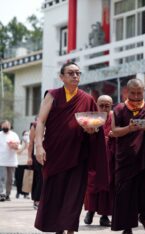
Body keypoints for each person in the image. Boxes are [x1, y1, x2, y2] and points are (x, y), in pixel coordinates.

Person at [34, 61, 108, 234]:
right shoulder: (52, 95)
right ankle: (58, 228)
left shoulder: (87, 98)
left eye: (78, 73)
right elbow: (41, 121)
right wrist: (38, 145)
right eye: (71, 73)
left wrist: (92, 130)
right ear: (61, 77)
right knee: (56, 193)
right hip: (54, 153)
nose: (75, 76)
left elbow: (94, 126)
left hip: (77, 155)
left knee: (74, 196)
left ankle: (70, 230)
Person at [111, 78, 145, 234]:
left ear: (143, 92)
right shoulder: (119, 109)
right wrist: (130, 128)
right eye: (132, 93)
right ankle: (127, 226)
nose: (135, 96)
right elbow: (114, 131)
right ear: (127, 92)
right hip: (126, 158)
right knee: (125, 194)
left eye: (139, 93)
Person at [84, 95, 114, 227]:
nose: (104, 108)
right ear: (96, 105)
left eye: (107, 105)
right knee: (92, 185)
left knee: (107, 186)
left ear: (111, 106)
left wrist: (113, 136)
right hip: (94, 159)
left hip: (110, 159)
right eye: (101, 105)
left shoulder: (115, 118)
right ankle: (90, 211)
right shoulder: (92, 119)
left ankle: (104, 216)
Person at [0, 120, 20, 201]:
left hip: (12, 161)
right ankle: (1, 194)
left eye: (7, 125)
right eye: (4, 126)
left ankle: (8, 194)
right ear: (1, 126)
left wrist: (14, 146)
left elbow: (18, 146)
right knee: (1, 177)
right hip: (1, 160)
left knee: (10, 179)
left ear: (10, 126)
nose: (5, 127)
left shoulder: (14, 135)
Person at [28, 118, 43, 209]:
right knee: (39, 178)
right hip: (38, 156)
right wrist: (29, 157)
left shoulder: (53, 122)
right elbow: (30, 143)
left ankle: (46, 200)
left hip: (51, 156)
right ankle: (37, 200)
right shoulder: (35, 126)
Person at [15, 130, 30, 199]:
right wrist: (24, 146)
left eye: (27, 135)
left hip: (27, 163)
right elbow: (17, 152)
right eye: (25, 135)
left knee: (27, 179)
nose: (26, 136)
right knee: (19, 179)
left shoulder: (30, 144)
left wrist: (28, 145)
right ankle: (18, 192)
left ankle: (26, 193)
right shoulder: (19, 144)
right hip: (19, 163)